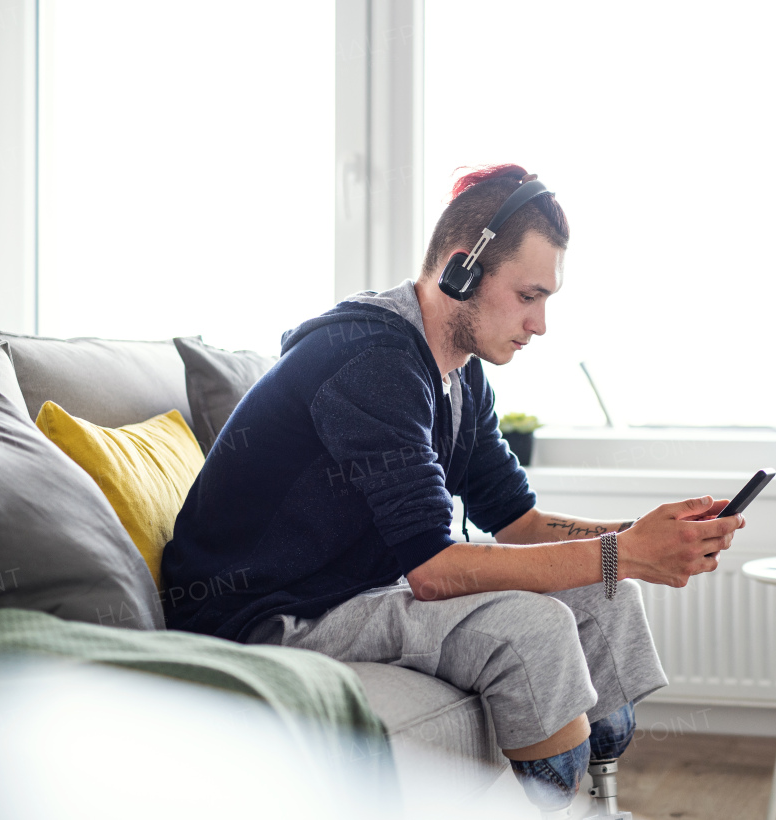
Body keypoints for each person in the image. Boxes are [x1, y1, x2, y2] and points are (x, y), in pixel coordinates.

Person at [160, 164, 745, 818]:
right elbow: (435, 571)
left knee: (605, 592)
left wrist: (641, 536)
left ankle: (600, 800)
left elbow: (517, 522)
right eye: (529, 296)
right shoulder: (371, 360)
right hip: (266, 615)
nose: (542, 323)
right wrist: (626, 551)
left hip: (360, 590)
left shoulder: (462, 380)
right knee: (535, 627)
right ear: (464, 270)